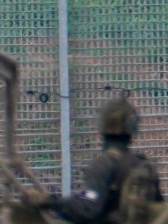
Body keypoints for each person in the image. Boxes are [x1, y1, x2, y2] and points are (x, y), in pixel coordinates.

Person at [57, 95, 162, 224]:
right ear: (132, 128)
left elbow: (88, 209)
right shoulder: (145, 167)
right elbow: (158, 209)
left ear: (102, 127)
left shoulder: (102, 165)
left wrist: (52, 203)